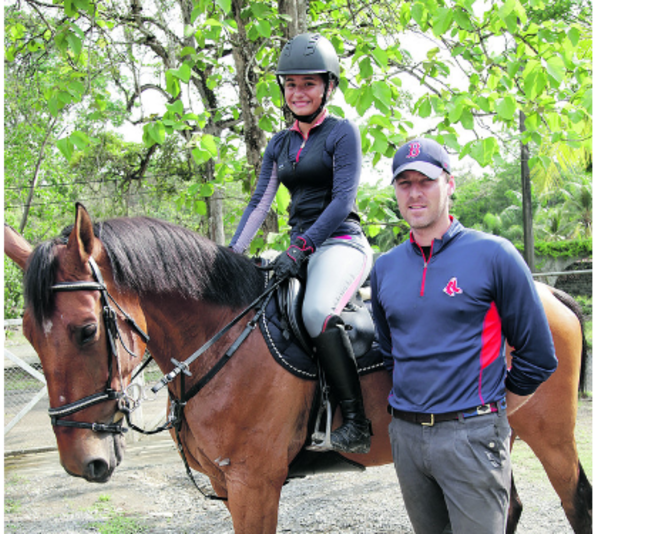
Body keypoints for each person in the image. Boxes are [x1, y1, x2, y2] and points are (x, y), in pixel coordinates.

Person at [370, 138, 558, 533]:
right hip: (406, 439)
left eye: (426, 181)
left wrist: (490, 414)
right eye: (405, 184)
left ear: (450, 184)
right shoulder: (384, 267)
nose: (415, 193)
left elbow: (539, 355)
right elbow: (391, 353)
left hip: (472, 435)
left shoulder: (494, 255)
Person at [228, 33, 373, 454]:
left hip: (341, 243)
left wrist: (302, 248)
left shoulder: (342, 133)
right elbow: (259, 204)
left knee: (316, 312)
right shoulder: (280, 143)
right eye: (291, 84)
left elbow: (342, 201)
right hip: (300, 249)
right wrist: (229, 257)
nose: (299, 92)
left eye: (309, 83)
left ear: (328, 87)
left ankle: (357, 422)